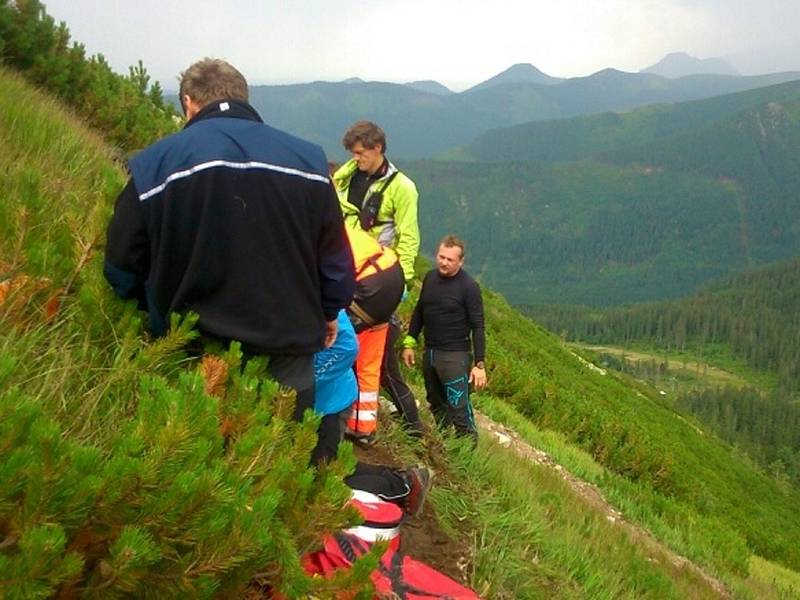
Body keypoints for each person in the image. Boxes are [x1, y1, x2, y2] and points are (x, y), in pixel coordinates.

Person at [104, 58, 354, 421]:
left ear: (189, 102)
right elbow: (334, 260)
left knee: (196, 467)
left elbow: (121, 265)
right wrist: (329, 310)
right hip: (288, 356)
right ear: (244, 98)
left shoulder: (154, 164)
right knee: (274, 464)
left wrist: (152, 307)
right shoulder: (309, 161)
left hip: (191, 355)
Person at [332, 121, 423, 435]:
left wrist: (403, 283)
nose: (357, 159)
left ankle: (410, 427)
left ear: (378, 148)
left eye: (361, 153)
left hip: (378, 278)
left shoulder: (402, 188)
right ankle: (365, 422)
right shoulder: (346, 176)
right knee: (367, 354)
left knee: (372, 356)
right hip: (349, 268)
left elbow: (408, 238)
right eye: (353, 154)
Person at [311, 309, 432, 516]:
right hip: (325, 398)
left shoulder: (309, 288)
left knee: (320, 476)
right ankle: (403, 478)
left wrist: (299, 383)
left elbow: (347, 347)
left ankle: (402, 486)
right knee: (327, 460)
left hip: (328, 401)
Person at [401, 236, 487, 442]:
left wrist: (479, 364)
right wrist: (410, 341)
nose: (444, 262)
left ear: (461, 261)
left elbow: (478, 326)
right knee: (435, 402)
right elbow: (420, 311)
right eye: (441, 257)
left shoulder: (469, 287)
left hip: (455, 357)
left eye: (450, 259)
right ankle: (445, 443)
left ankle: (468, 454)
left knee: (459, 408)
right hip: (430, 353)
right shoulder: (430, 278)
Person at [344, 227, 405, 443]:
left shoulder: (312, 238)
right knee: (368, 361)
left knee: (336, 347)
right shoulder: (337, 227)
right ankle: (364, 427)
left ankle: (324, 413)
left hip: (370, 287)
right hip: (393, 276)